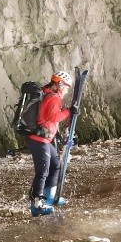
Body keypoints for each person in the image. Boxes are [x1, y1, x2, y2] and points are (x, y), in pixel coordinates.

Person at [26, 71, 73, 216]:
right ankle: (37, 206)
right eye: (65, 87)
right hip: (39, 141)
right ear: (59, 85)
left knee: (55, 166)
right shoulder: (54, 98)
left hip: (43, 139)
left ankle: (51, 197)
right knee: (43, 172)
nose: (66, 90)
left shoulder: (47, 93)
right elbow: (53, 117)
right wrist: (69, 112)